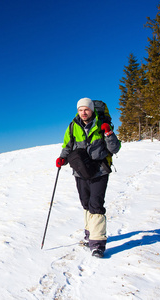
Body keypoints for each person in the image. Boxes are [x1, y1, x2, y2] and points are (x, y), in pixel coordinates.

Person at [56, 97, 121, 258]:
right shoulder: (72, 127)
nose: (83, 112)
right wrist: (62, 158)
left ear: (92, 110)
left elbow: (115, 148)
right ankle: (90, 234)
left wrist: (108, 133)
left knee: (96, 205)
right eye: (80, 110)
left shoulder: (102, 125)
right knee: (86, 203)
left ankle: (97, 244)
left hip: (100, 170)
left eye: (86, 109)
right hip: (81, 171)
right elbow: (67, 146)